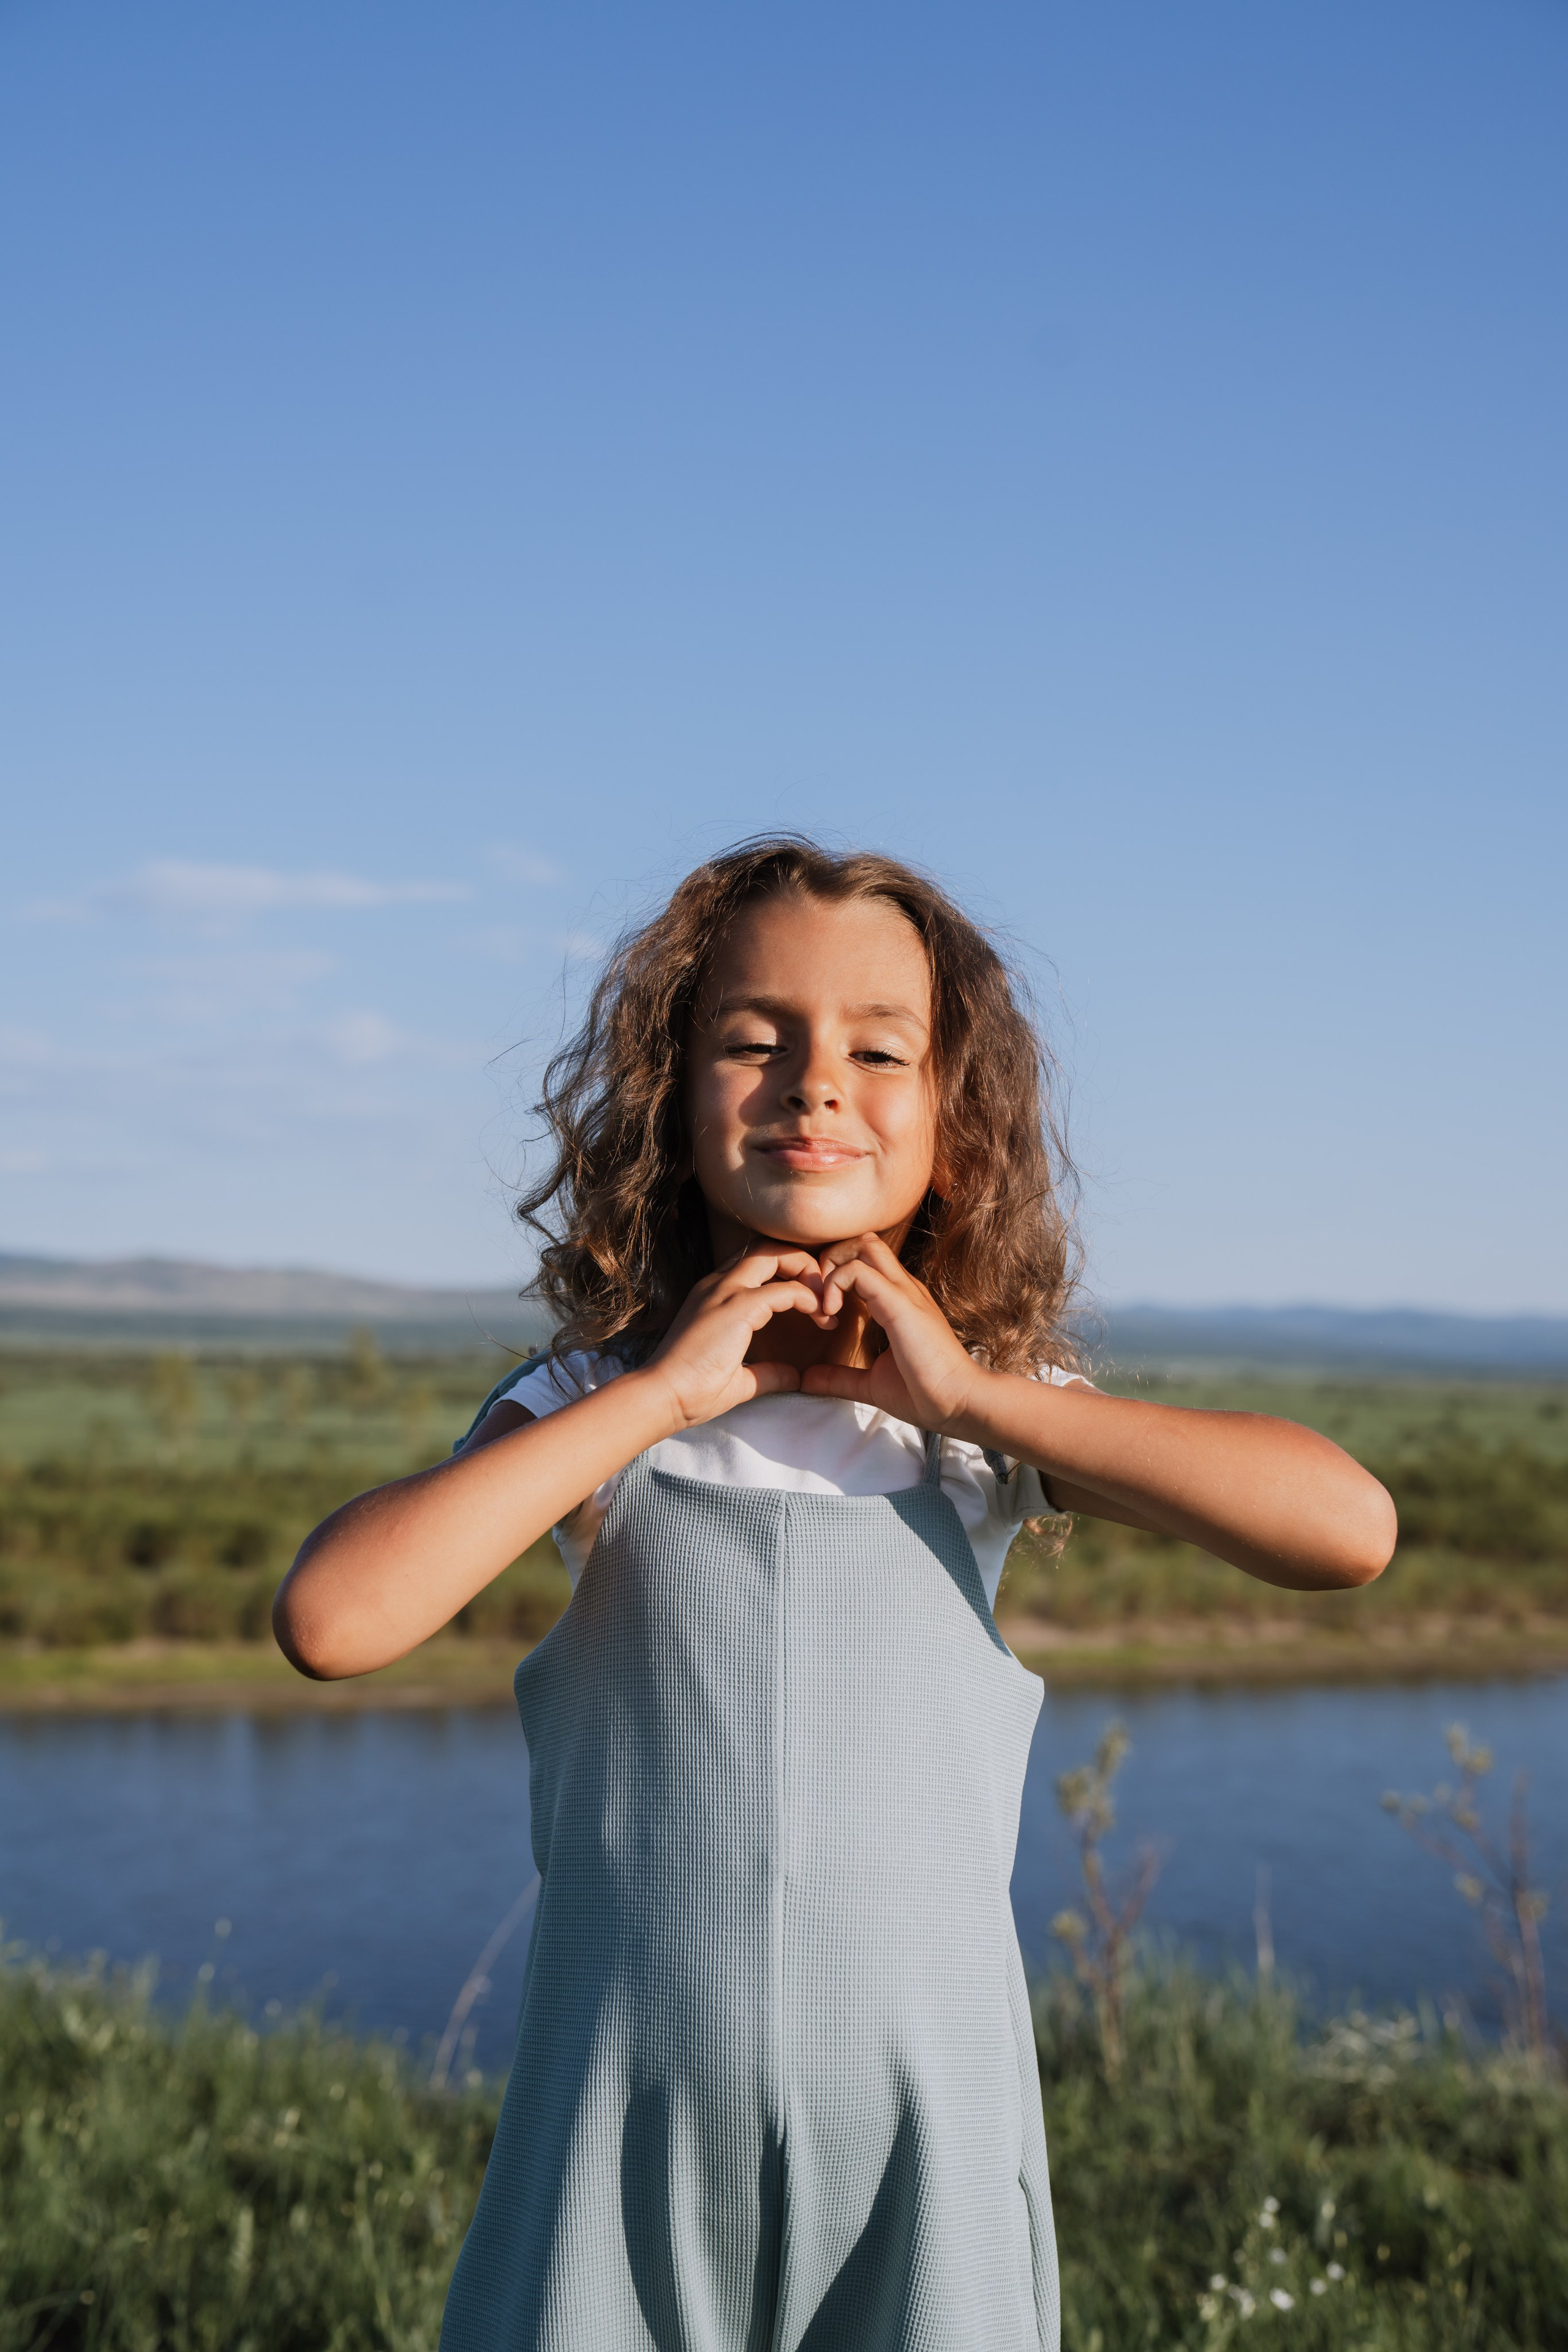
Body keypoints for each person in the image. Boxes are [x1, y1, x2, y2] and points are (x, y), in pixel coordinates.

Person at [274, 836, 1395, 2352]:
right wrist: (660, 1395)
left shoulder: (983, 1423)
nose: (815, 1085)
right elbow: (335, 1623)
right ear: (670, 1092)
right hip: (621, 2125)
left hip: (922, 2134)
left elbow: (1344, 1530)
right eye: (754, 1040)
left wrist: (973, 1395)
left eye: (879, 1049)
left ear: (955, 1114)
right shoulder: (590, 1404)